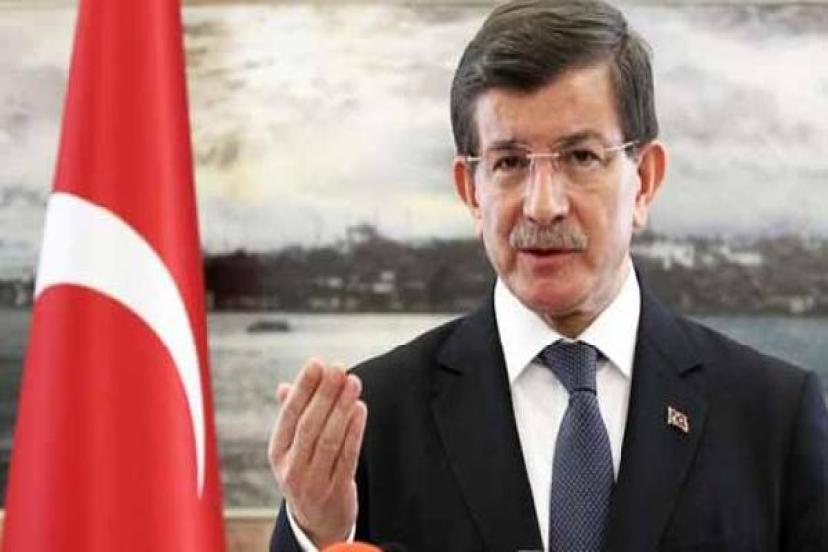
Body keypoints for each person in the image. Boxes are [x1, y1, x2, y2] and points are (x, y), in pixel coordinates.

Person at [267, 1, 828, 550]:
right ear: (471, 193)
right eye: (510, 162)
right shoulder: (373, 421)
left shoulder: (773, 415)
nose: (542, 206)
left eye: (580, 156)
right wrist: (319, 535)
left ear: (645, 180)